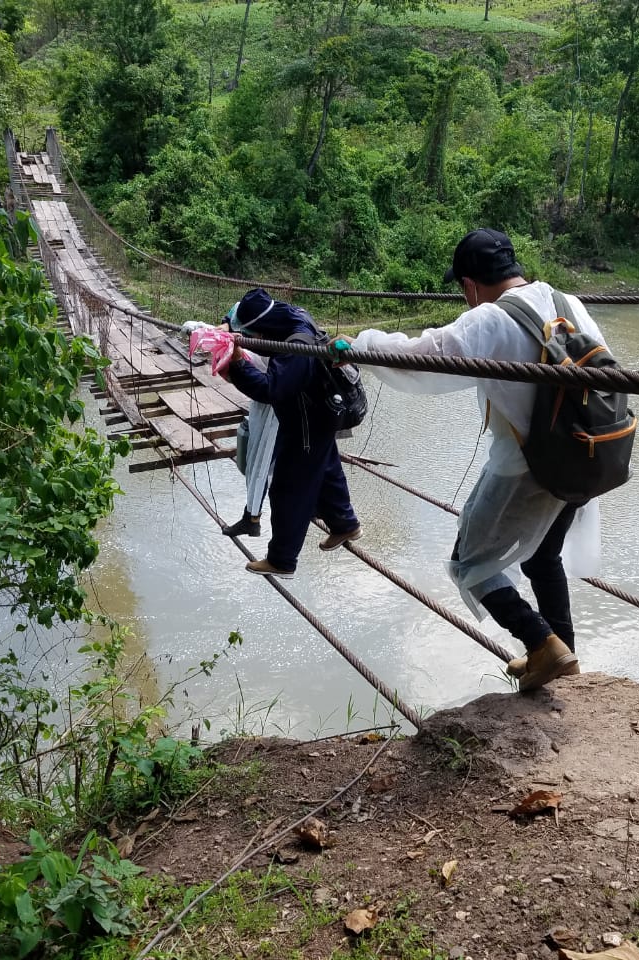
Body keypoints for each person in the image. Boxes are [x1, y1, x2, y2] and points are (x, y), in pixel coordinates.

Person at [338, 228, 608, 692]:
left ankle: (543, 643)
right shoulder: (567, 302)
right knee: (543, 556)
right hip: (585, 457)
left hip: (528, 466)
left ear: (469, 285)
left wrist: (357, 345)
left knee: (468, 562)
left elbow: (421, 357)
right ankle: (560, 655)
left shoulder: (489, 321)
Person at [220, 288, 361, 579]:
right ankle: (345, 524)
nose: (252, 339)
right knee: (326, 470)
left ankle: (282, 560)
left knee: (288, 487)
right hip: (317, 414)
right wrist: (226, 326)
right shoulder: (287, 315)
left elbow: (272, 389)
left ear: (265, 327)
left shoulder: (296, 347)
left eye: (253, 335)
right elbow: (243, 316)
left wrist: (237, 366)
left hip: (308, 420)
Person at [220, 302, 279, 538]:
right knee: (260, 460)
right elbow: (232, 314)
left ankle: (253, 518)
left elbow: (266, 388)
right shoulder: (256, 320)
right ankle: (252, 516)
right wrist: (223, 328)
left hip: (277, 406)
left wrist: (238, 360)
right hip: (267, 403)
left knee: (261, 462)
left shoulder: (279, 339)